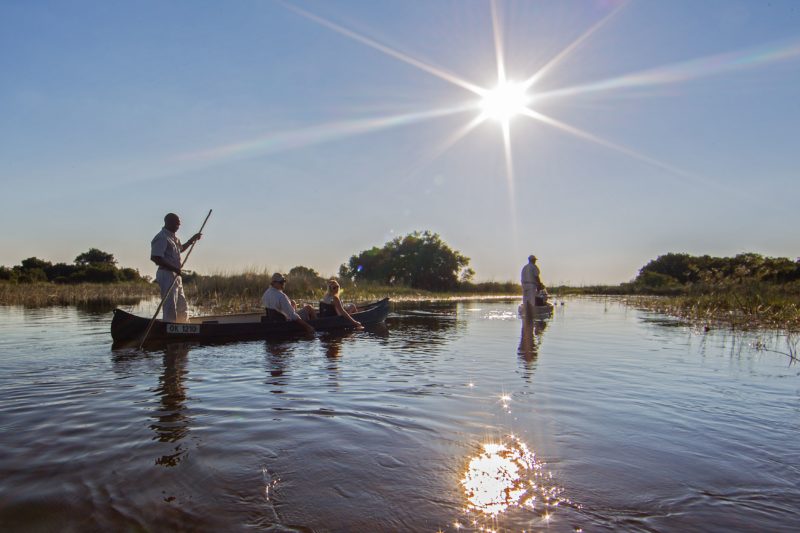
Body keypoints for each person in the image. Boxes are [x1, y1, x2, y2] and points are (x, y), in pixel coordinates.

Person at [150, 213, 202, 323]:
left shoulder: (174, 238)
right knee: (170, 305)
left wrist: (192, 239)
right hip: (166, 274)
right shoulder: (161, 237)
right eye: (176, 224)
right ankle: (170, 327)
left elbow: (181, 249)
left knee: (182, 305)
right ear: (168, 222)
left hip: (176, 275)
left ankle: (182, 326)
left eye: (179, 225)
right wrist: (174, 268)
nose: (178, 227)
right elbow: (155, 257)